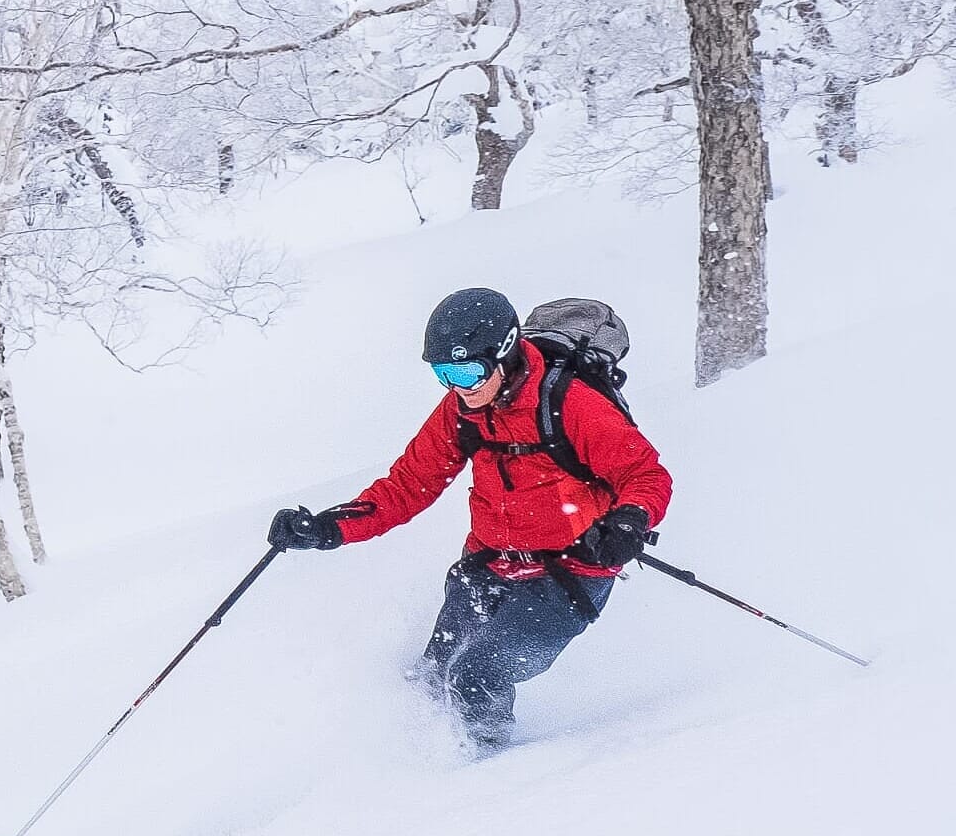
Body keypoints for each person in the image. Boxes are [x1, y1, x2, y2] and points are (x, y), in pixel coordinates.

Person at [266, 288, 673, 750]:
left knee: (475, 675)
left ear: (504, 355)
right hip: (487, 565)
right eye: (444, 375)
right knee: (430, 677)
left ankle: (482, 775)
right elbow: (407, 487)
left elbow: (645, 475)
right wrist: (327, 529)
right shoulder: (462, 411)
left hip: (570, 572)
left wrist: (627, 523)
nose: (459, 387)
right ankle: (411, 760)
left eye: (467, 371)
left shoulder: (573, 405)